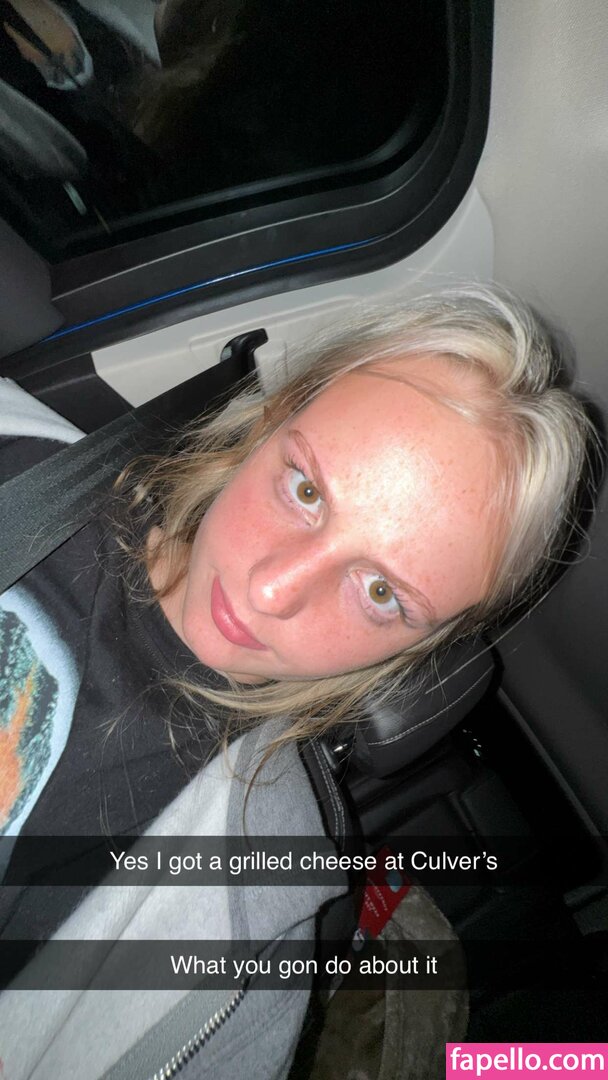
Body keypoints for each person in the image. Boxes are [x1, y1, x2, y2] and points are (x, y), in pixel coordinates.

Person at [0, 284, 595, 1078]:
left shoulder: (252, 927)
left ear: (415, 648)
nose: (272, 590)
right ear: (272, 419)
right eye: (306, 490)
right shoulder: (18, 455)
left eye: (380, 591)